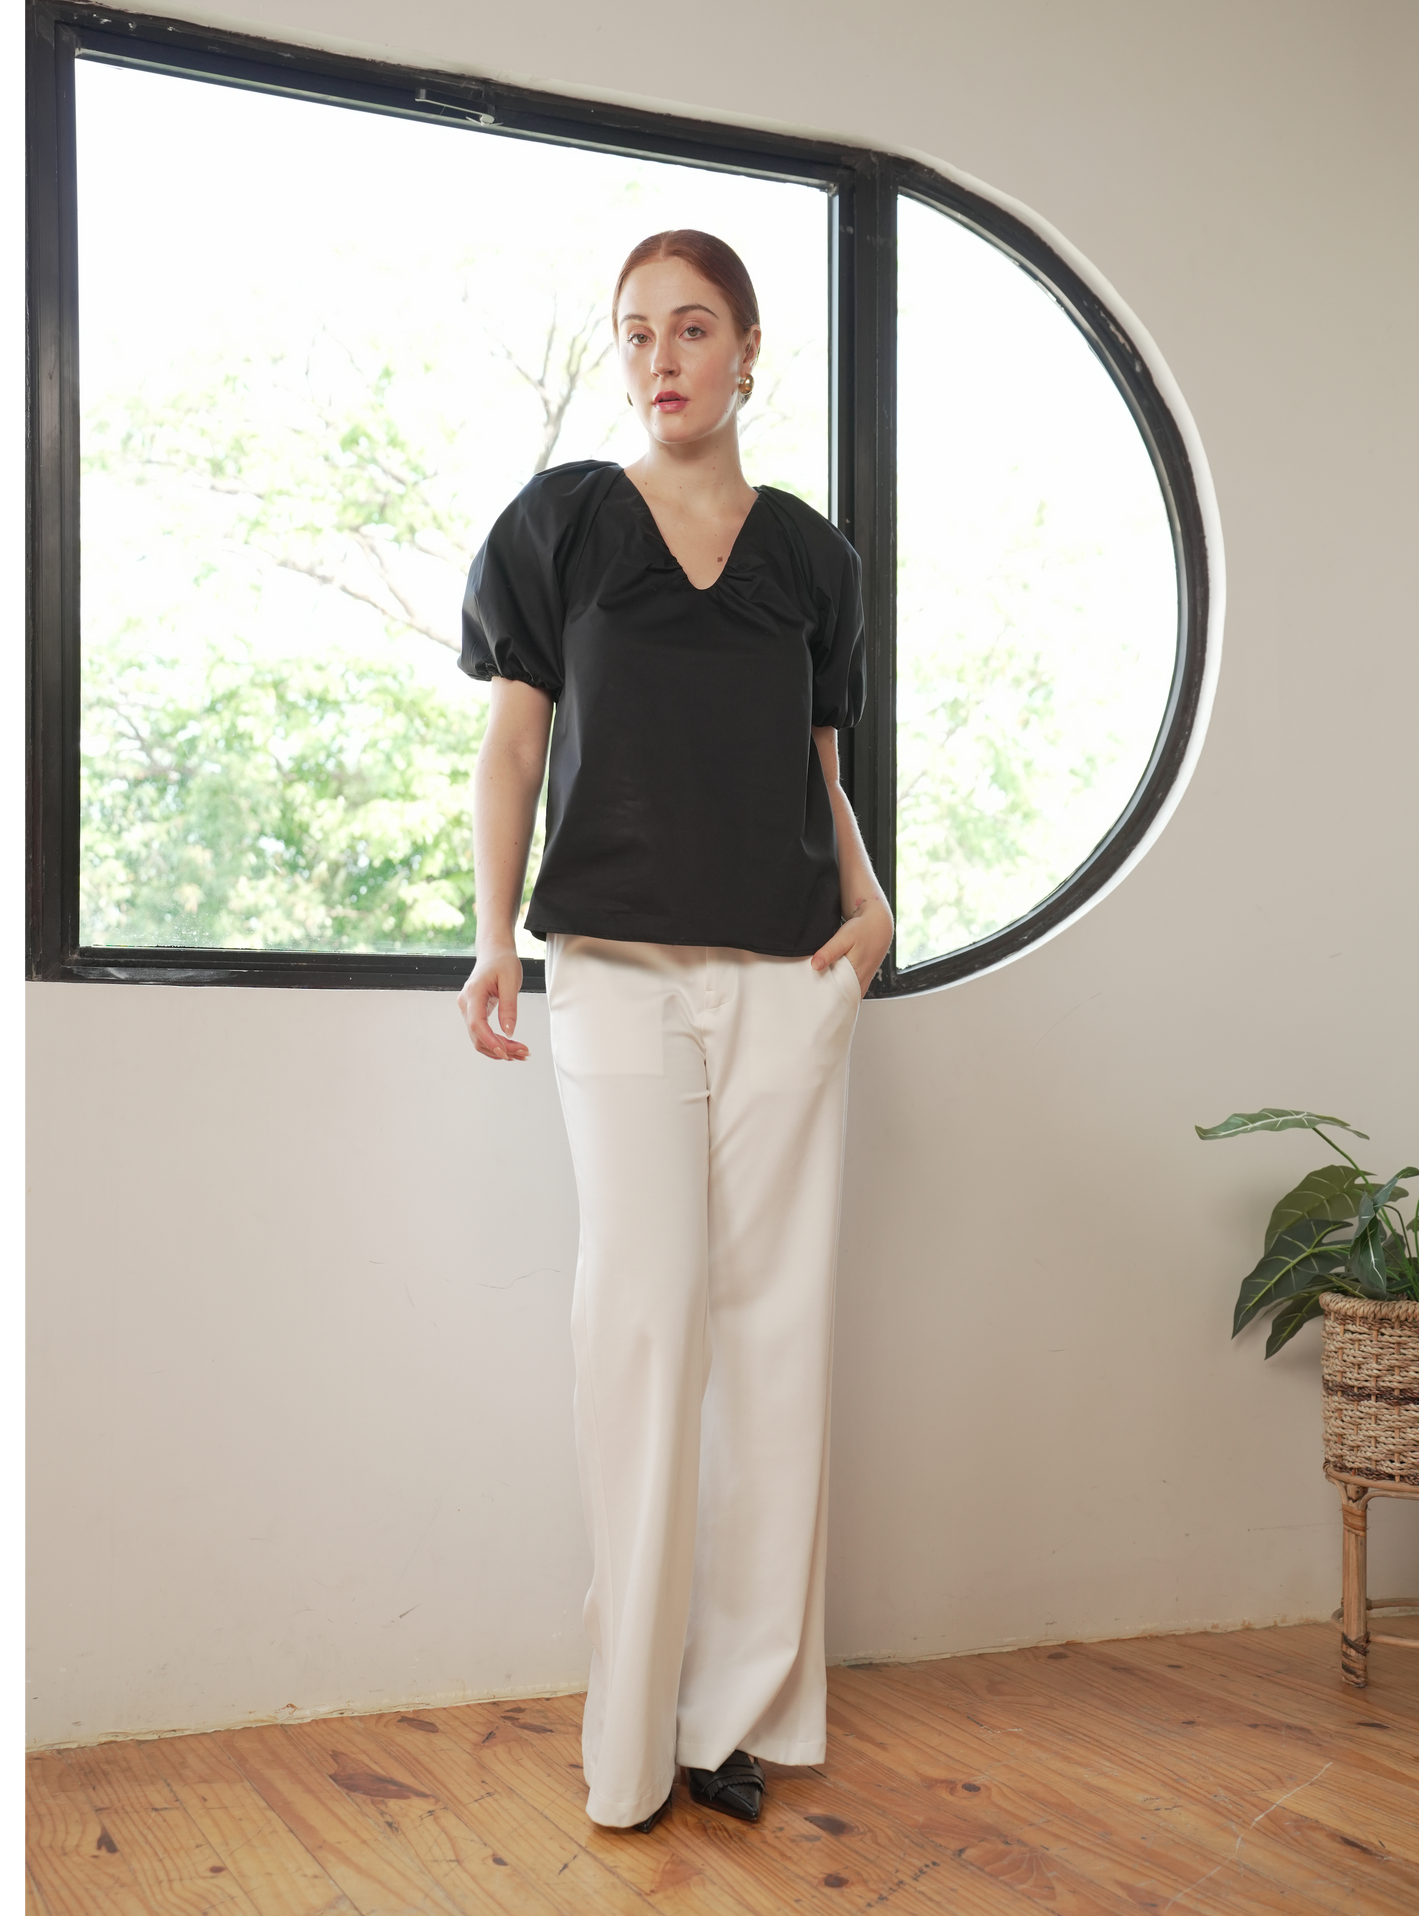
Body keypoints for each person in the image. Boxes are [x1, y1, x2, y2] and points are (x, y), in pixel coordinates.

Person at [458, 229, 893, 1834]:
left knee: (776, 1337)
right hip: (618, 972)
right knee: (641, 1326)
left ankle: (733, 1719)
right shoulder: (563, 523)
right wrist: (491, 938)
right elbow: (515, 748)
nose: (663, 357)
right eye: (638, 330)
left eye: (694, 328)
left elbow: (819, 768)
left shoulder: (813, 560)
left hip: (787, 976)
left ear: (749, 350)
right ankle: (628, 1740)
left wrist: (872, 911)